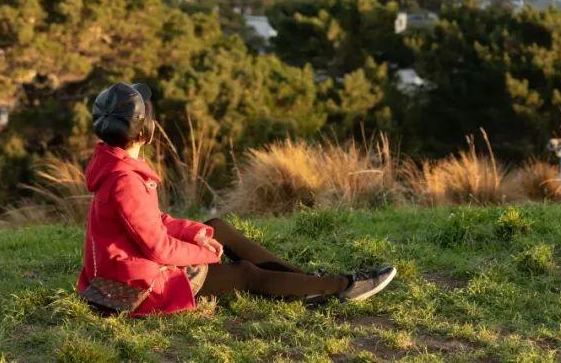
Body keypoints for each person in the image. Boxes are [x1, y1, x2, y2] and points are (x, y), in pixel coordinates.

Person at [76, 81, 397, 316]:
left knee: (215, 226)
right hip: (136, 286)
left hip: (131, 266)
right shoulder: (125, 181)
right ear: (145, 132)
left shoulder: (115, 164)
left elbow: (152, 222)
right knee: (244, 274)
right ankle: (341, 287)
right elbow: (158, 248)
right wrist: (200, 253)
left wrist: (197, 234)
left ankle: (304, 281)